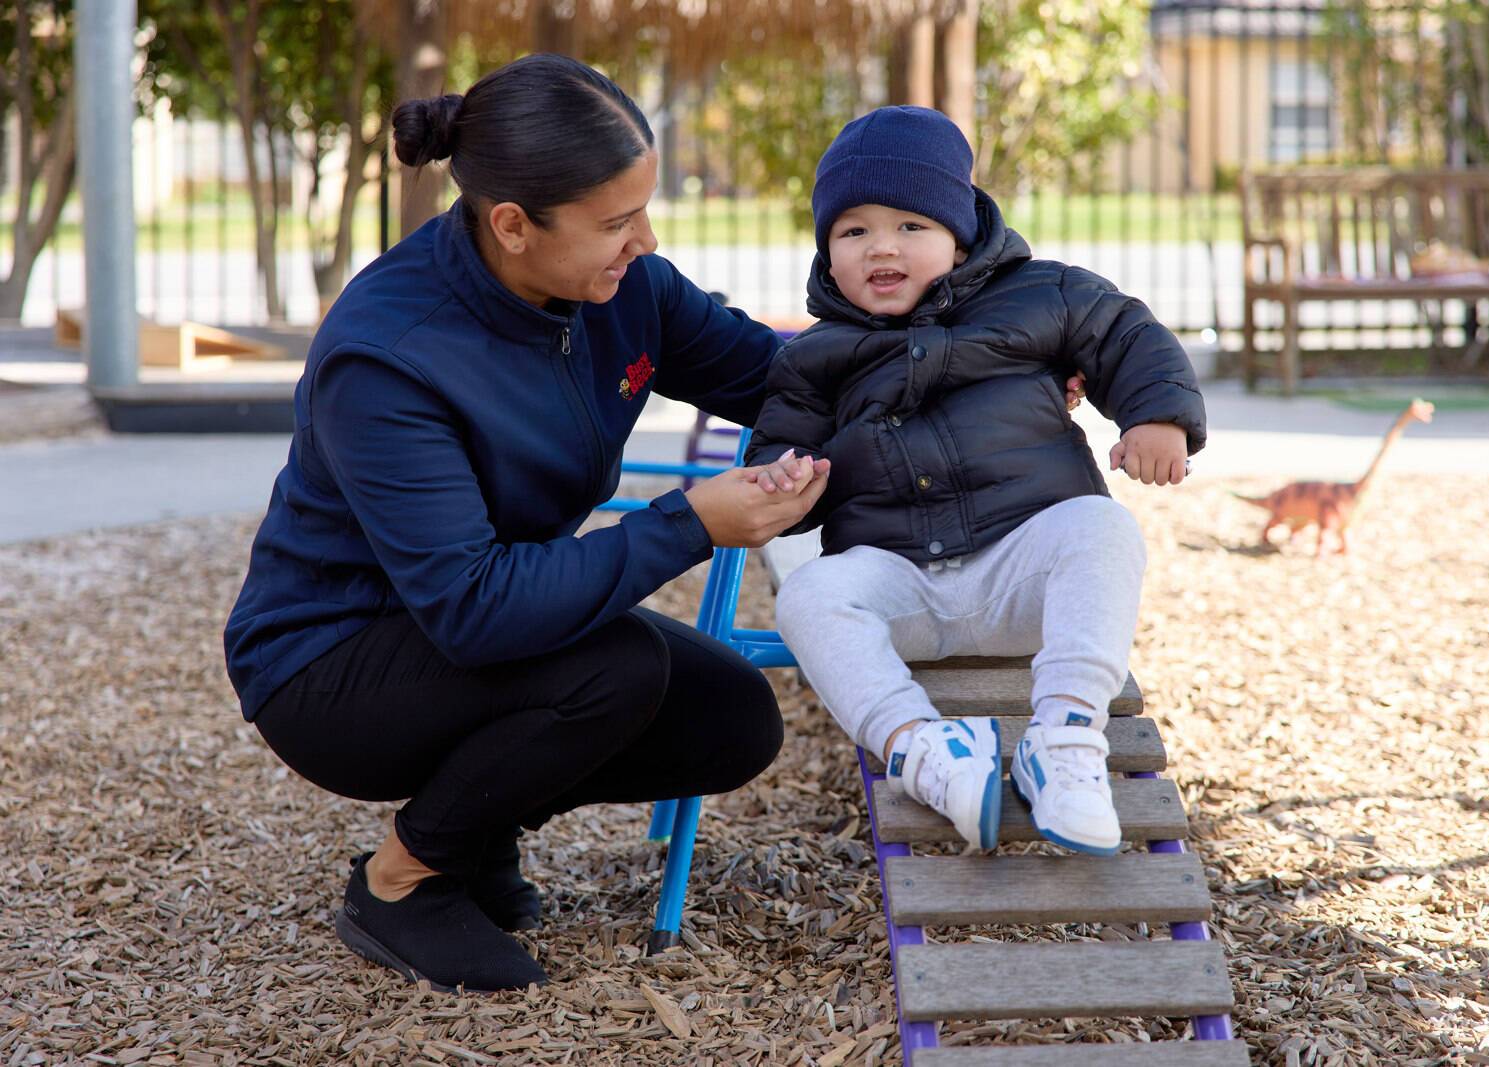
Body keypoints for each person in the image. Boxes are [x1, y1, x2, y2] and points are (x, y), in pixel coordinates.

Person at [222, 54, 829, 993]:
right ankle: (401, 882)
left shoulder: (627, 289)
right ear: (512, 224)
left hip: (480, 617)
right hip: (331, 662)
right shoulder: (388, 357)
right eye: (617, 223)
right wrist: (690, 522)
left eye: (643, 210)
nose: (646, 240)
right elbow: (474, 609)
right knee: (613, 670)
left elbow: (780, 376)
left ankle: (476, 824)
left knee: (730, 719)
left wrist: (979, 370)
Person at [745, 106, 1205, 855]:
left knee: (1102, 527)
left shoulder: (1040, 293)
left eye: (910, 226)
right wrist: (782, 480)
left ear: (959, 234)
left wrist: (1159, 417)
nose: (881, 246)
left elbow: (1127, 335)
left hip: (1021, 571)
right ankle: (923, 748)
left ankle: (1062, 737)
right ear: (827, 250)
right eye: (853, 231)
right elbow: (782, 446)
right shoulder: (816, 357)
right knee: (811, 594)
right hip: (901, 587)